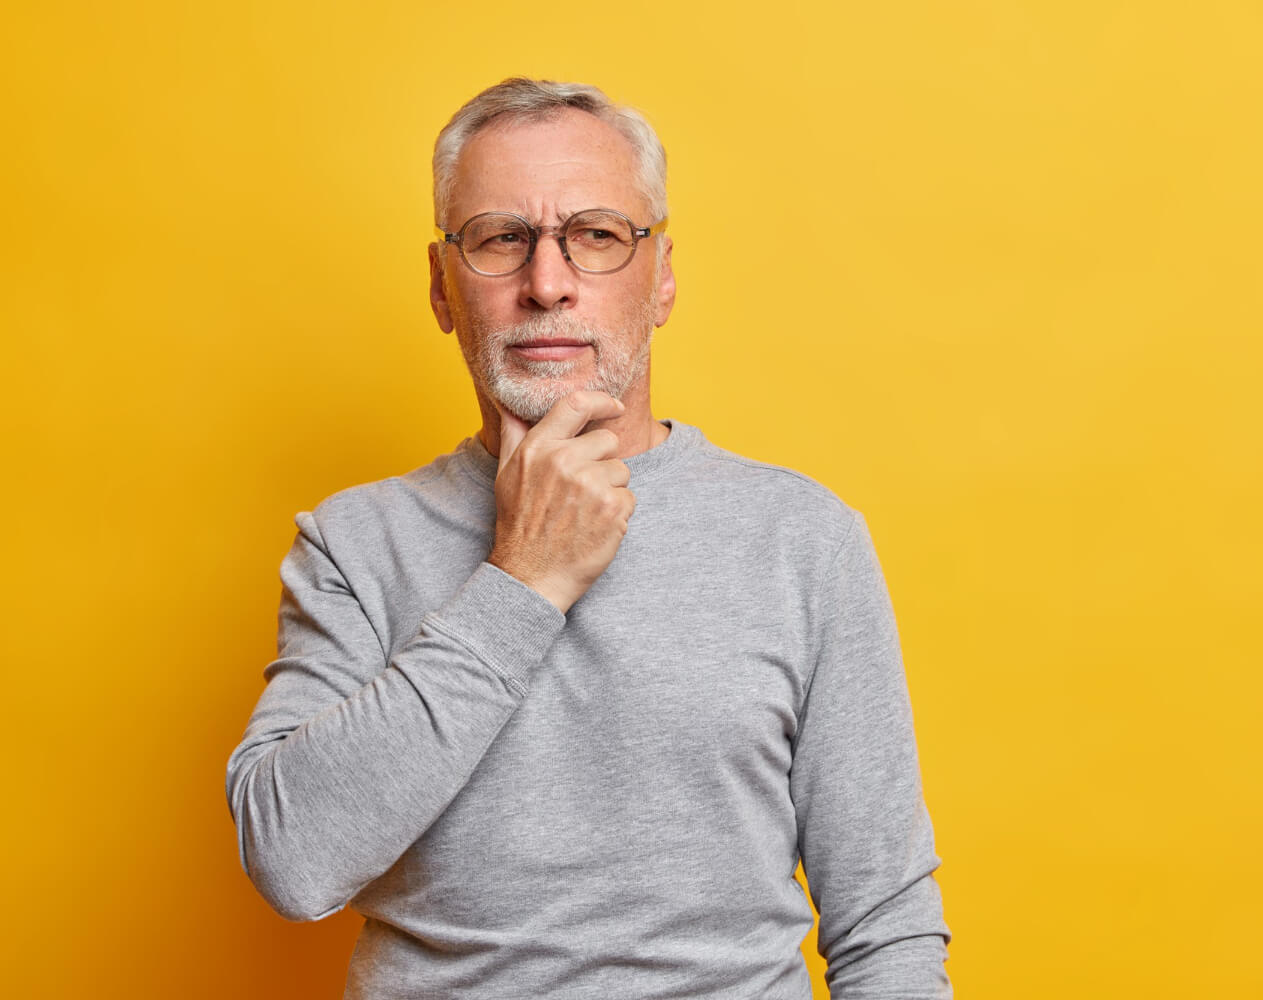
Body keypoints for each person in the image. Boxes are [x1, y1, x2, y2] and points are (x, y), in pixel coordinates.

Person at [225, 77, 952, 999]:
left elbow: (885, 924)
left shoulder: (802, 540)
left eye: (597, 236)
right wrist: (522, 579)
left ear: (664, 280)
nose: (548, 282)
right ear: (443, 288)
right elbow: (291, 862)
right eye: (500, 239)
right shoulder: (353, 546)